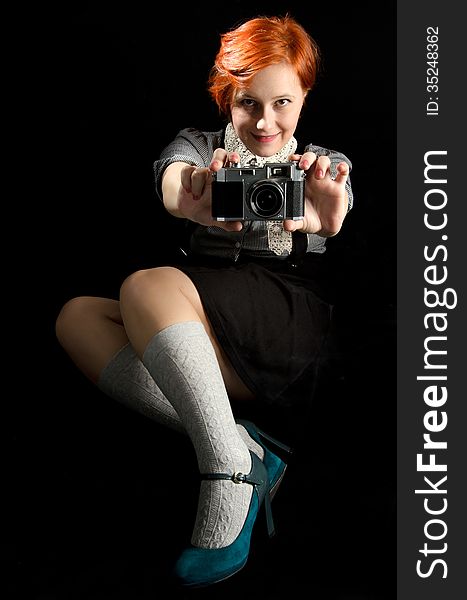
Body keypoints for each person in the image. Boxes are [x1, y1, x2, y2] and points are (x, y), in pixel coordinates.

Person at [55, 14, 353, 587]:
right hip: (202, 314)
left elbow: (337, 204)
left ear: (306, 96)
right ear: (226, 98)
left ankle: (226, 473)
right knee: (78, 317)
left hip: (285, 320)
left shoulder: (321, 163)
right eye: (248, 104)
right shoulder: (200, 146)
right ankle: (236, 445)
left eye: (283, 103)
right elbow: (173, 179)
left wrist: (324, 214)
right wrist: (191, 194)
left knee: (144, 285)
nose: (266, 121)